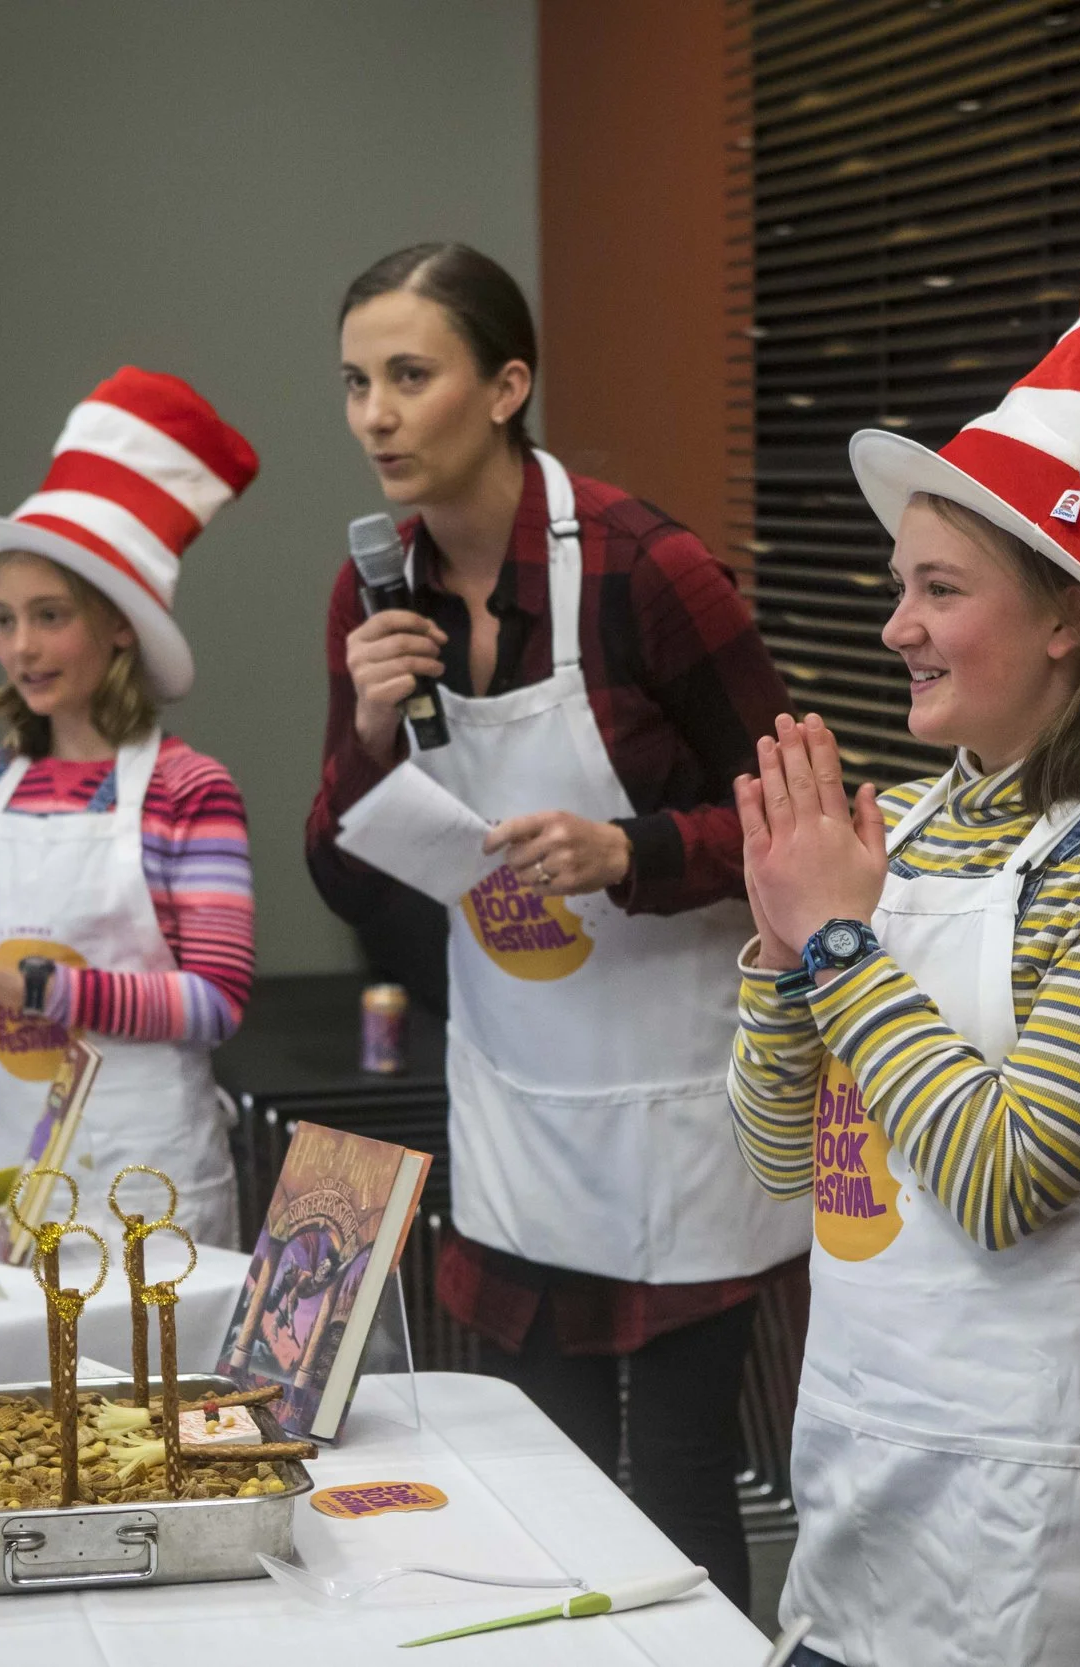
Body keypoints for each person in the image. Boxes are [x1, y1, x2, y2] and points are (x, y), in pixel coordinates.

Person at [728, 205, 1080, 1666]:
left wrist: (838, 946)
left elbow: (998, 1179)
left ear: (1069, 625)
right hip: (863, 1463)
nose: (897, 625)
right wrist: (782, 949)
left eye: (941, 588)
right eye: (902, 584)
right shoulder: (893, 825)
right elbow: (786, 1162)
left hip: (1051, 1504)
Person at [303, 242, 806, 1608]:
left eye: (411, 375)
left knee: (683, 1486)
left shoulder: (650, 569)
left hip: (685, 1102)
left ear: (507, 384)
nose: (377, 416)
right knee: (546, 1475)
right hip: (519, 1096)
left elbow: (804, 820)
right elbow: (345, 880)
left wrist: (626, 848)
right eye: (356, 383)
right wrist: (361, 735)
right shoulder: (372, 591)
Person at [0, 367, 259, 1246]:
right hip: (16, 1172)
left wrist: (45, 991)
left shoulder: (188, 789)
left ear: (119, 624)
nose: (21, 647)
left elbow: (216, 1000)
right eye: (4, 620)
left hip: (148, 1187)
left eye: (49, 616)